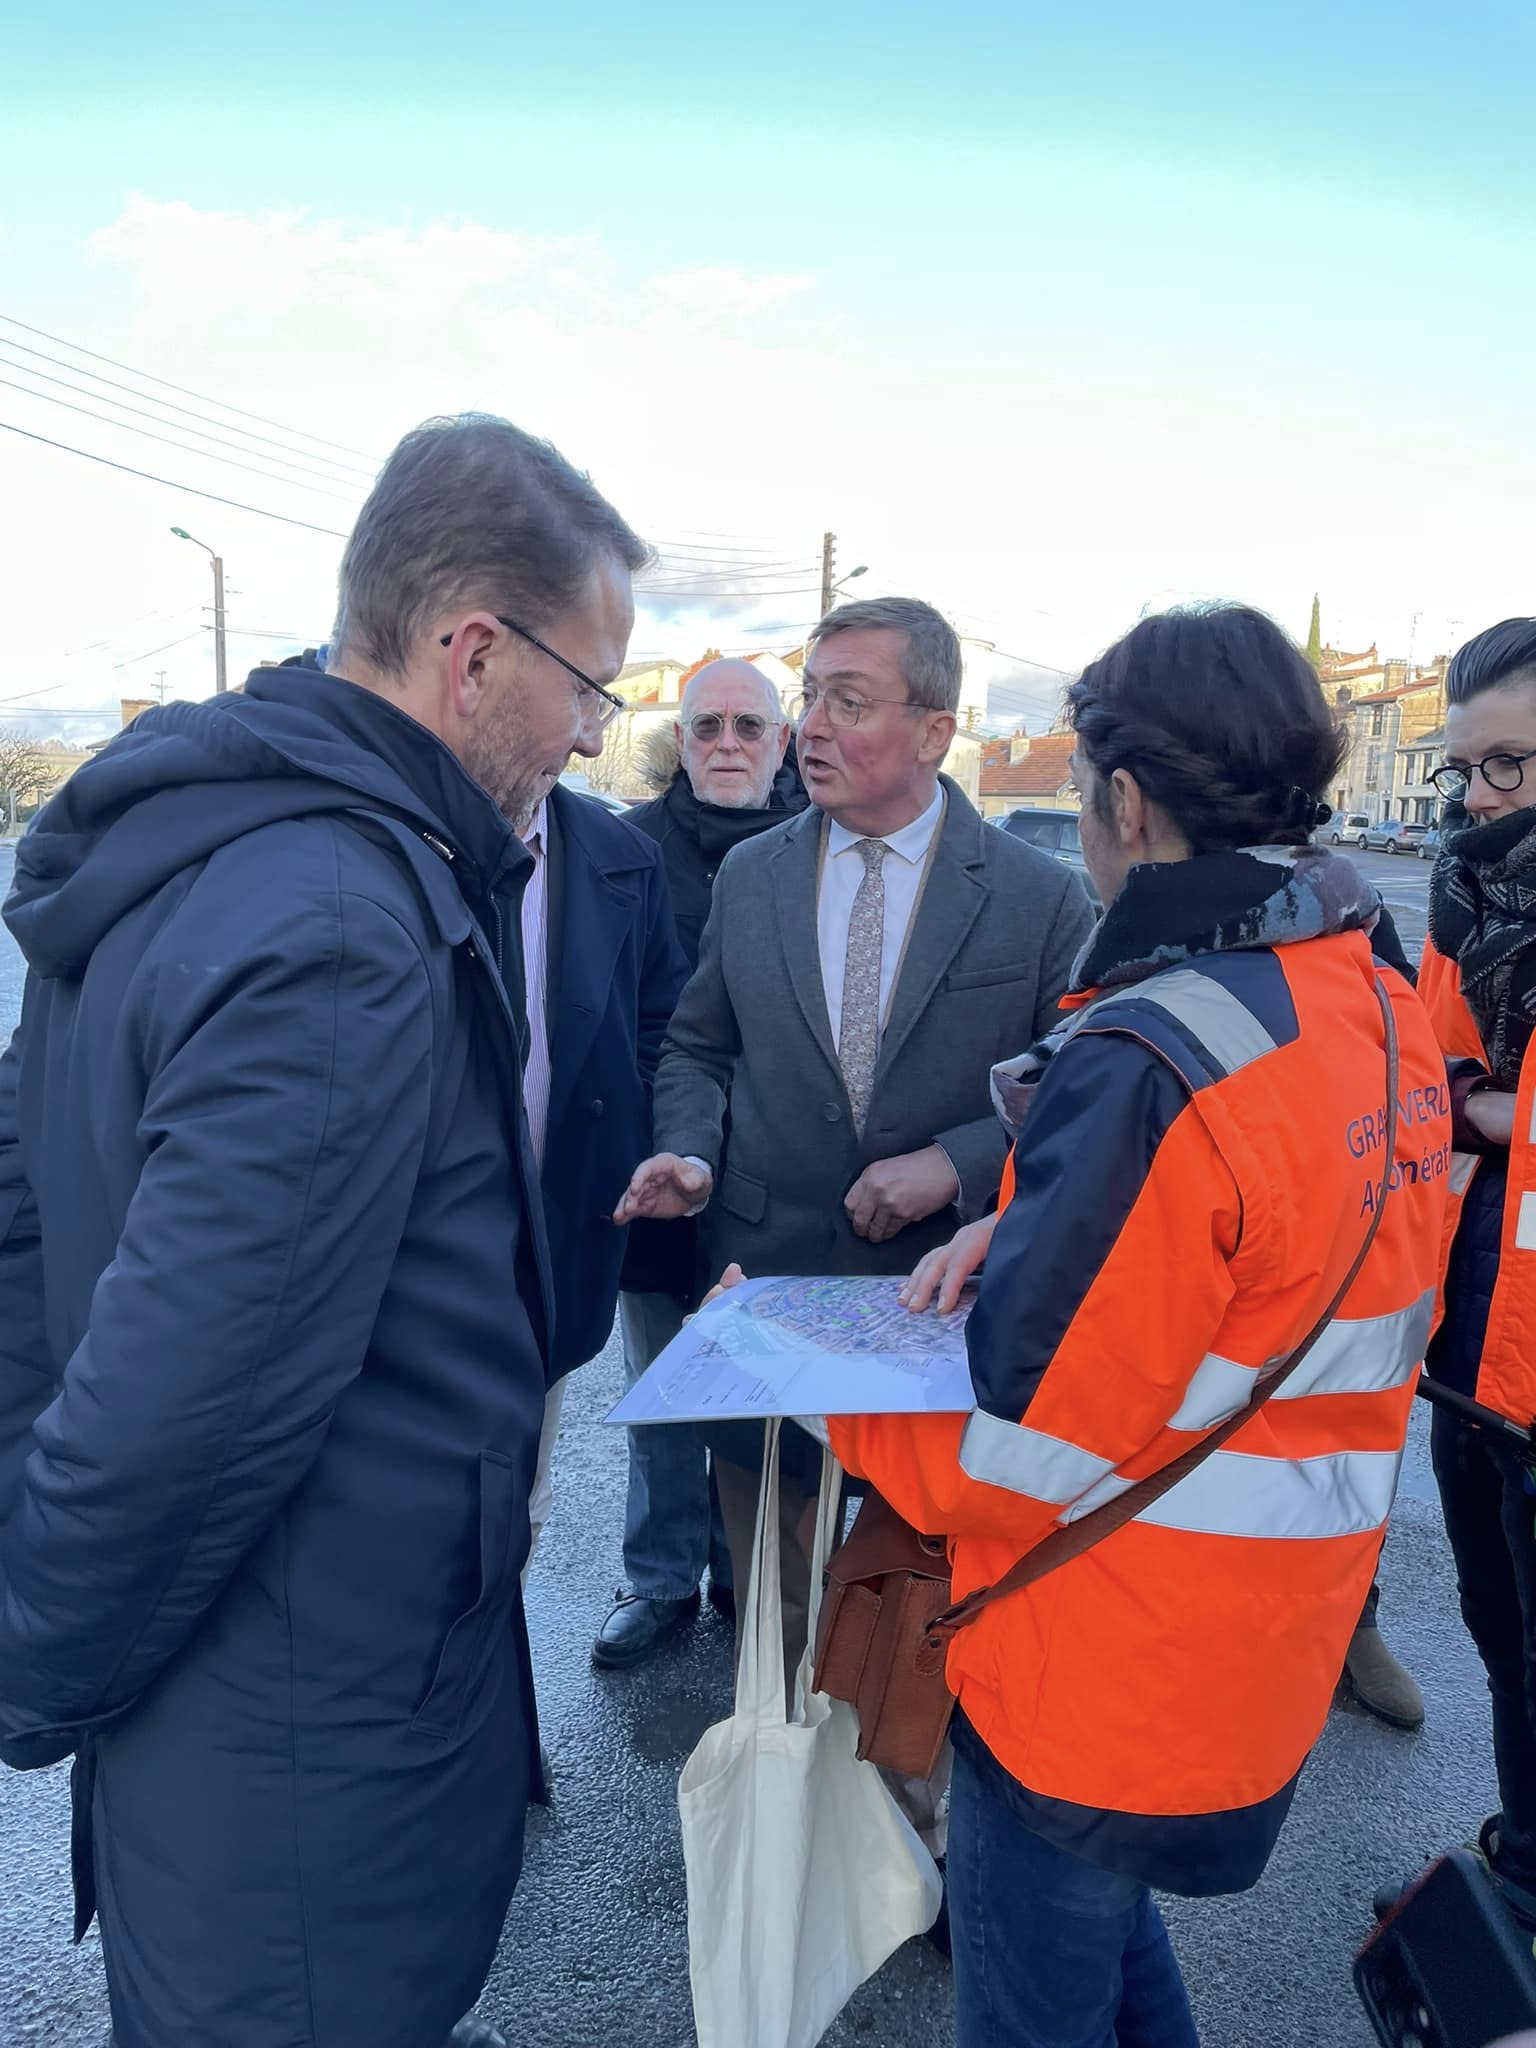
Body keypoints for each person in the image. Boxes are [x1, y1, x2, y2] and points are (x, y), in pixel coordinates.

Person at [0, 412, 648, 2048]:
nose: (592, 735)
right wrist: (33, 1661)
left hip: (256, 1723)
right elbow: (181, 1411)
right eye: (592, 684)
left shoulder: (206, 844)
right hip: (303, 1753)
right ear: (473, 654)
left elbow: (23, 1227)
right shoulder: (344, 923)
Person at [825, 604, 1448, 2048]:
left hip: (1098, 1657)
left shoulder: (1154, 1056)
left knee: (1036, 1999)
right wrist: (1038, 1215)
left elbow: (1016, 1456)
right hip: (1254, 1638)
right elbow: (1290, 1247)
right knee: (1109, 1951)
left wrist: (818, 1382)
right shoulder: (1372, 991)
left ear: (1123, 799)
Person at [615, 596, 1096, 1695]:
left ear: (934, 730)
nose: (813, 728)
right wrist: (691, 1154)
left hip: (937, 1304)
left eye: (849, 701)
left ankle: (895, 1794)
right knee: (775, 1615)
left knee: (914, 1617)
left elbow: (1075, 1091)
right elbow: (697, 1046)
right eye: (810, 698)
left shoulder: (1038, 897)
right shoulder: (754, 876)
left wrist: (959, 1164)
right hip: (766, 1287)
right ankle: (786, 1785)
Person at [594, 656, 806, 1668]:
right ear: (680, 741)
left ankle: (749, 1576)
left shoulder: (823, 848)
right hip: (658, 1168)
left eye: (748, 726)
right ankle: (662, 1577)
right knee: (663, 1385)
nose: (728, 744)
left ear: (781, 740)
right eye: (708, 726)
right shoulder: (625, 852)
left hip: (785, 1176)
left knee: (766, 1389)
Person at [1409, 618, 1536, 1926]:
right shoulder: (1468, 902)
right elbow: (1416, 1075)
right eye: (1467, 770)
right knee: (1502, 1638)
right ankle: (1523, 1875)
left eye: (1511, 767)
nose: (1480, 798)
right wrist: (1469, 1100)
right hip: (1469, 1348)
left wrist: (1499, 1109)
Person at [519, 778, 688, 1573]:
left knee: (517, 1488)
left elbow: (662, 1022)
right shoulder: (398, 827)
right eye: (707, 725)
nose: (588, 736)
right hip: (411, 1238)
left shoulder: (619, 854)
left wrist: (623, 1136)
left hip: (554, 1228)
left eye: (748, 727)